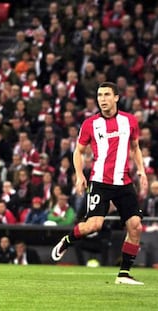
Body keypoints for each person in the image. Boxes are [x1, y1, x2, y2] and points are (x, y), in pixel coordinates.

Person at [51, 82, 148, 285]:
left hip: (124, 182)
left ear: (116, 97)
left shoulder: (129, 121)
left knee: (136, 226)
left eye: (106, 95)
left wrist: (141, 170)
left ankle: (123, 274)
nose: (102, 99)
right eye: (99, 95)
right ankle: (67, 240)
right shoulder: (90, 124)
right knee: (94, 225)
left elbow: (135, 147)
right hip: (100, 182)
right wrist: (79, 175)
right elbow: (78, 151)